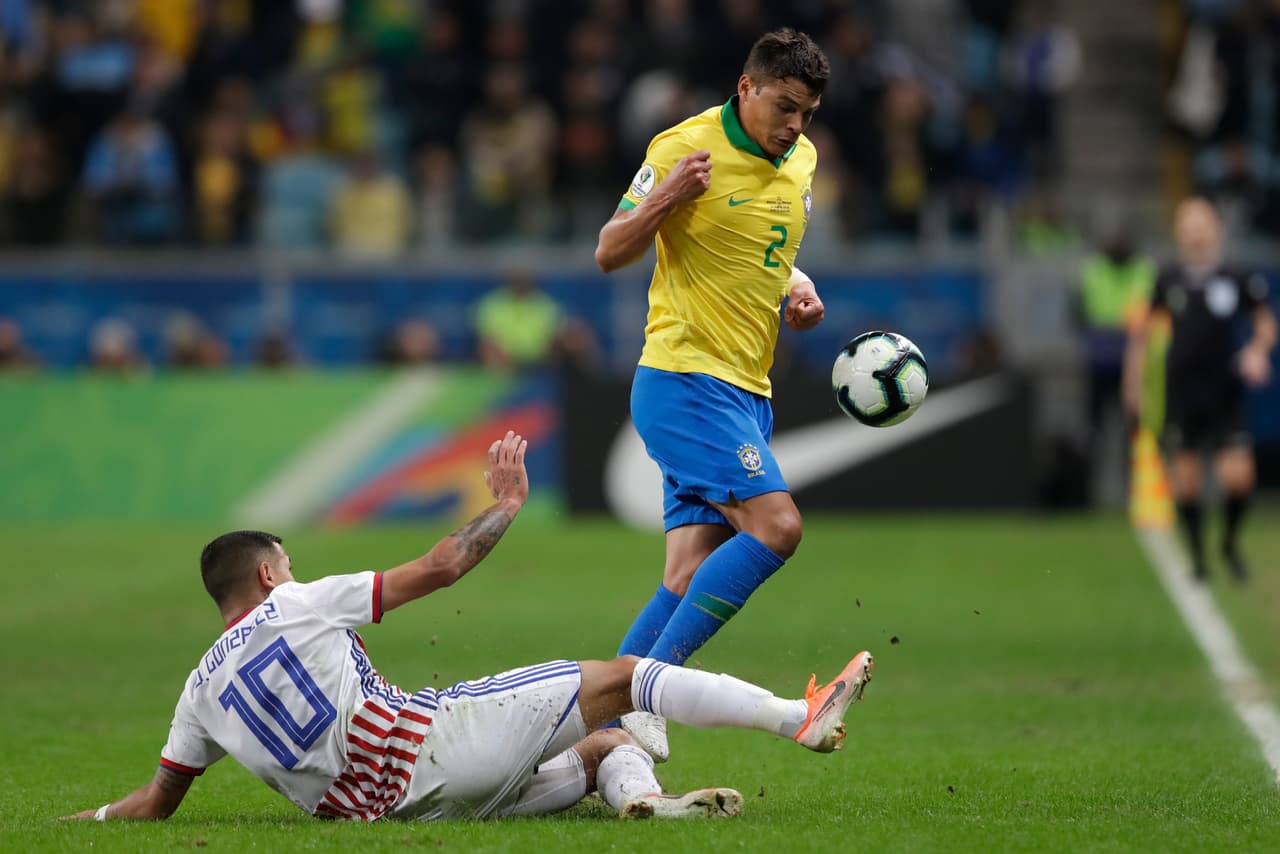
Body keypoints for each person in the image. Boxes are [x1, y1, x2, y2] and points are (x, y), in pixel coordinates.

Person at [64, 431, 873, 824]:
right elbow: (442, 566)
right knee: (624, 678)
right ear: (269, 574)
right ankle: (796, 719)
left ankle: (651, 807)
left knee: (606, 747)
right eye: (290, 561)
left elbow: (154, 803)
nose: (296, 573)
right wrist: (509, 505)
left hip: (402, 816)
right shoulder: (295, 605)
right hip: (435, 748)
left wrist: (80, 822)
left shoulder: (197, 692)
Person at [594, 28, 830, 761]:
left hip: (747, 387)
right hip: (684, 377)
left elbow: (766, 252)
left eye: (807, 114)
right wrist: (666, 196)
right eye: (784, 106)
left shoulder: (804, 161)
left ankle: (596, 728)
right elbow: (609, 250)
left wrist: (800, 287)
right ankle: (652, 689)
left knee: (686, 573)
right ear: (746, 89)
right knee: (778, 527)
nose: (794, 126)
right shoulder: (682, 147)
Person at [1123, 198, 1277, 580]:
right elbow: (1141, 334)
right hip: (1182, 393)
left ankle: (1228, 542)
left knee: (1239, 477)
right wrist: (1134, 381)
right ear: (1178, 232)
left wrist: (1257, 351)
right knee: (1187, 483)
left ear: (1216, 229)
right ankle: (1198, 558)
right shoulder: (1167, 278)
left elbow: (1265, 322)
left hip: (1224, 393)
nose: (1194, 232)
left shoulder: (1235, 277)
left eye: (1201, 224)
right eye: (1186, 225)